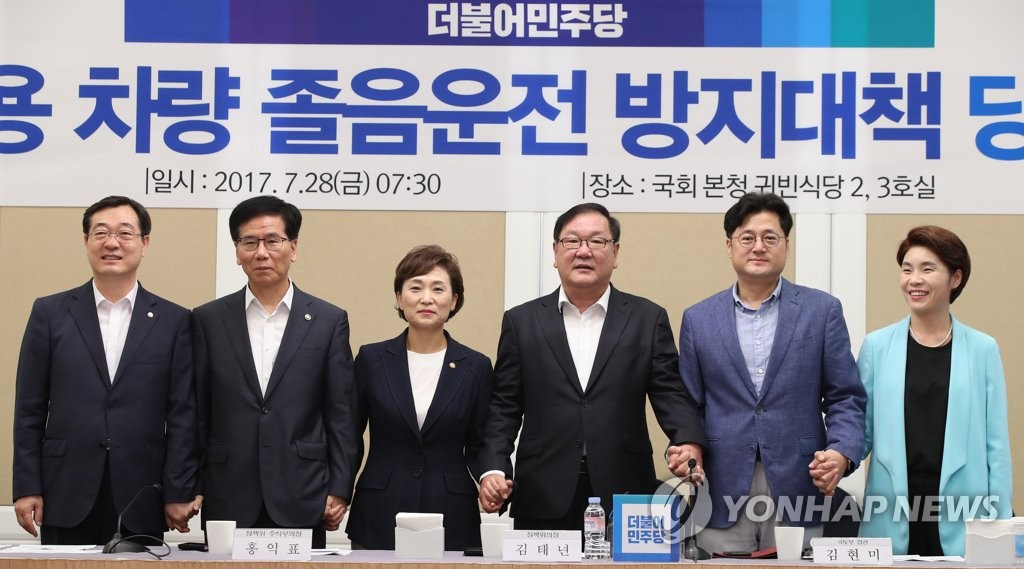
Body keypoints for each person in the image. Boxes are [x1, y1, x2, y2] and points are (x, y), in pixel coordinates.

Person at [478, 203, 706, 531]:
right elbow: (504, 406)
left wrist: (687, 440)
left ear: (615, 253)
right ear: (555, 252)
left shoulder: (647, 318)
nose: (583, 251)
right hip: (542, 489)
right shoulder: (521, 321)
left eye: (597, 241)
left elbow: (669, 392)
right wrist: (493, 469)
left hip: (625, 489)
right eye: (572, 241)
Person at [671, 191, 866, 553]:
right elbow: (688, 405)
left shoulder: (821, 311)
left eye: (770, 237)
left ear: (786, 246)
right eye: (747, 237)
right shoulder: (698, 319)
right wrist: (687, 446)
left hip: (800, 482)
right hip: (722, 486)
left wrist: (840, 452)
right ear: (729, 246)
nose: (758, 246)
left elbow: (846, 398)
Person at [12, 196, 199, 545]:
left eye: (125, 233)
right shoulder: (50, 313)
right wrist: (27, 486)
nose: (112, 243)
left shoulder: (174, 321)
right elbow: (29, 409)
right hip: (65, 489)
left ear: (144, 243)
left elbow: (182, 415)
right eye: (101, 233)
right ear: (86, 241)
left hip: (142, 493)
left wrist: (178, 489)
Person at [192, 196, 357, 549]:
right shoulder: (208, 320)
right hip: (227, 492)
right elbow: (197, 413)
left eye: (272, 241)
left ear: (293, 248)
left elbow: (341, 413)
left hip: (304, 492)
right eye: (249, 242)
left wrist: (340, 487)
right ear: (237, 251)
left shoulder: (328, 321)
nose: (261, 253)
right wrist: (190, 485)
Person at [857, 226, 1012, 556]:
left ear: (956, 278)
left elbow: (996, 447)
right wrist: (834, 459)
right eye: (907, 269)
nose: (914, 280)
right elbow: (860, 432)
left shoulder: (983, 349)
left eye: (927, 269)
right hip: (892, 512)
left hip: (964, 516)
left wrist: (999, 527)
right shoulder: (876, 346)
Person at [346, 245, 494, 550]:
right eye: (415, 287)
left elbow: (481, 443)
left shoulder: (476, 366)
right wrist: (337, 491)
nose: (426, 298)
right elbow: (347, 434)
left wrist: (490, 477)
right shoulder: (371, 359)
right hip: (379, 509)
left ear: (454, 300)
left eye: (438, 289)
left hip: (451, 511)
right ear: (400, 298)